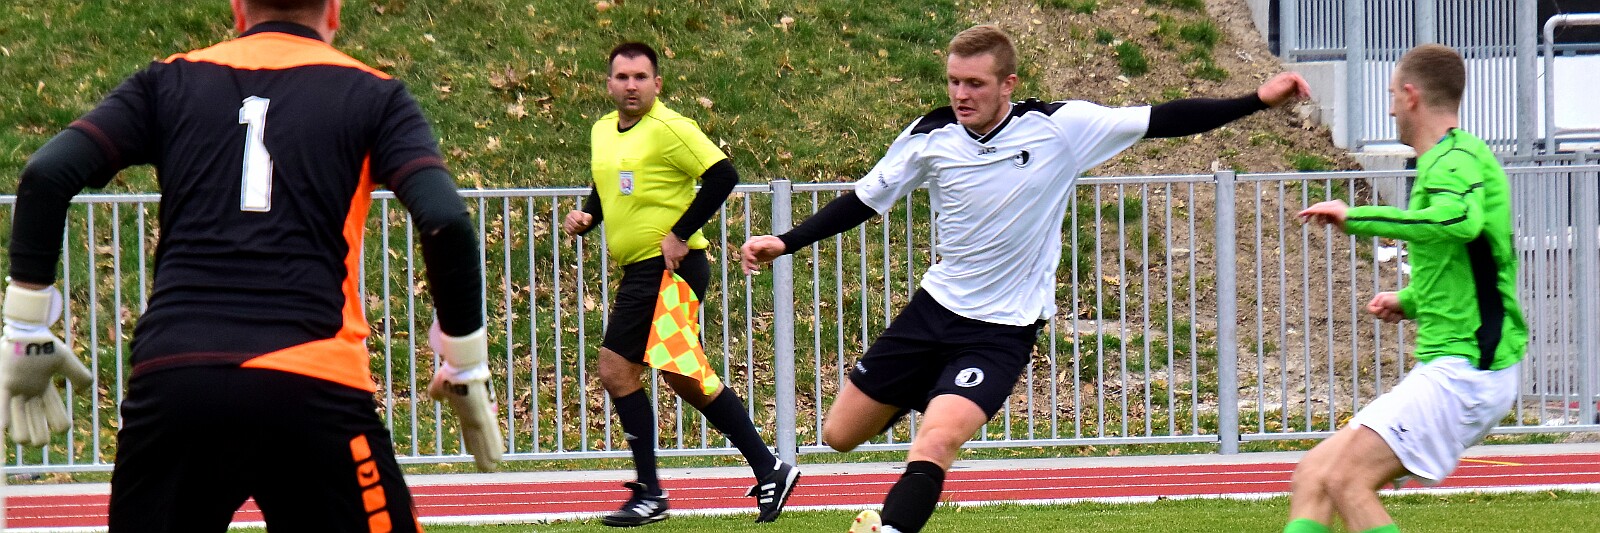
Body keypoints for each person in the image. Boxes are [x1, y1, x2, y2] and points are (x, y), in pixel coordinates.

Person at [741, 24, 1310, 533]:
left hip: (1001, 330)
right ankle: (926, 389)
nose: (961, 94)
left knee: (937, 440)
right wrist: (785, 241)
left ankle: (890, 527)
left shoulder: (1060, 128)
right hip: (932, 311)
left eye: (975, 83)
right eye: (954, 82)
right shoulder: (930, 136)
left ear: (1007, 84)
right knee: (840, 435)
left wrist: (1256, 99)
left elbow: (1162, 119)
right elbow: (866, 199)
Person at [0, 0, 503, 530]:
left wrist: (26, 326)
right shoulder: (375, 95)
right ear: (334, 10)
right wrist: (465, 362)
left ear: (238, 9)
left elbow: (47, 174)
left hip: (179, 378)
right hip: (311, 377)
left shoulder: (168, 82)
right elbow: (445, 219)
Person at [1286, 44, 1525, 533]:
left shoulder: (1454, 161)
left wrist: (1357, 217)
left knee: (1346, 481)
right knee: (1314, 474)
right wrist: (1410, 300)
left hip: (1467, 370)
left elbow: (1459, 221)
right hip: (1454, 364)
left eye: (1393, 95)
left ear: (1411, 96)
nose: (1391, 108)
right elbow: (1467, 258)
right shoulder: (1448, 160)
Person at [562, 42, 799, 527]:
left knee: (615, 368)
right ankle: (769, 468)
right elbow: (610, 182)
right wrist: (589, 215)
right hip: (642, 269)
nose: (631, 86)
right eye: (622, 77)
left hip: (668, 268)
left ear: (657, 84)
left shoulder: (670, 127)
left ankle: (651, 493)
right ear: (608, 84)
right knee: (683, 376)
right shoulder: (602, 130)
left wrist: (679, 232)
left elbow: (723, 175)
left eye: (640, 77)